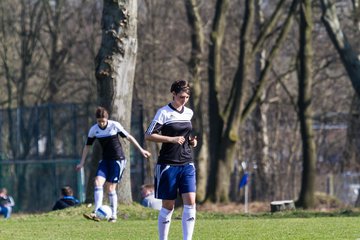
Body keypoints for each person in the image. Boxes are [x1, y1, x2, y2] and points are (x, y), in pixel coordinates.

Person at [76, 106, 151, 223]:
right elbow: (87, 146)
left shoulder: (114, 125)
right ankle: (96, 212)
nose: (101, 123)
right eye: (99, 121)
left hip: (118, 160)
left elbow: (129, 137)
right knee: (97, 182)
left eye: (103, 121)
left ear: (107, 119)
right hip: (105, 160)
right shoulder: (94, 129)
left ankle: (114, 215)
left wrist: (141, 150)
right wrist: (82, 162)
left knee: (110, 188)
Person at [145, 80, 198, 240]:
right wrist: (171, 139)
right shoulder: (163, 113)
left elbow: (186, 134)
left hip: (187, 163)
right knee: (168, 206)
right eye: (181, 96)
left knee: (190, 202)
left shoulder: (189, 113)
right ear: (173, 94)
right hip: (168, 165)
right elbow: (148, 135)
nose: (184, 100)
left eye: (187, 97)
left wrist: (191, 142)